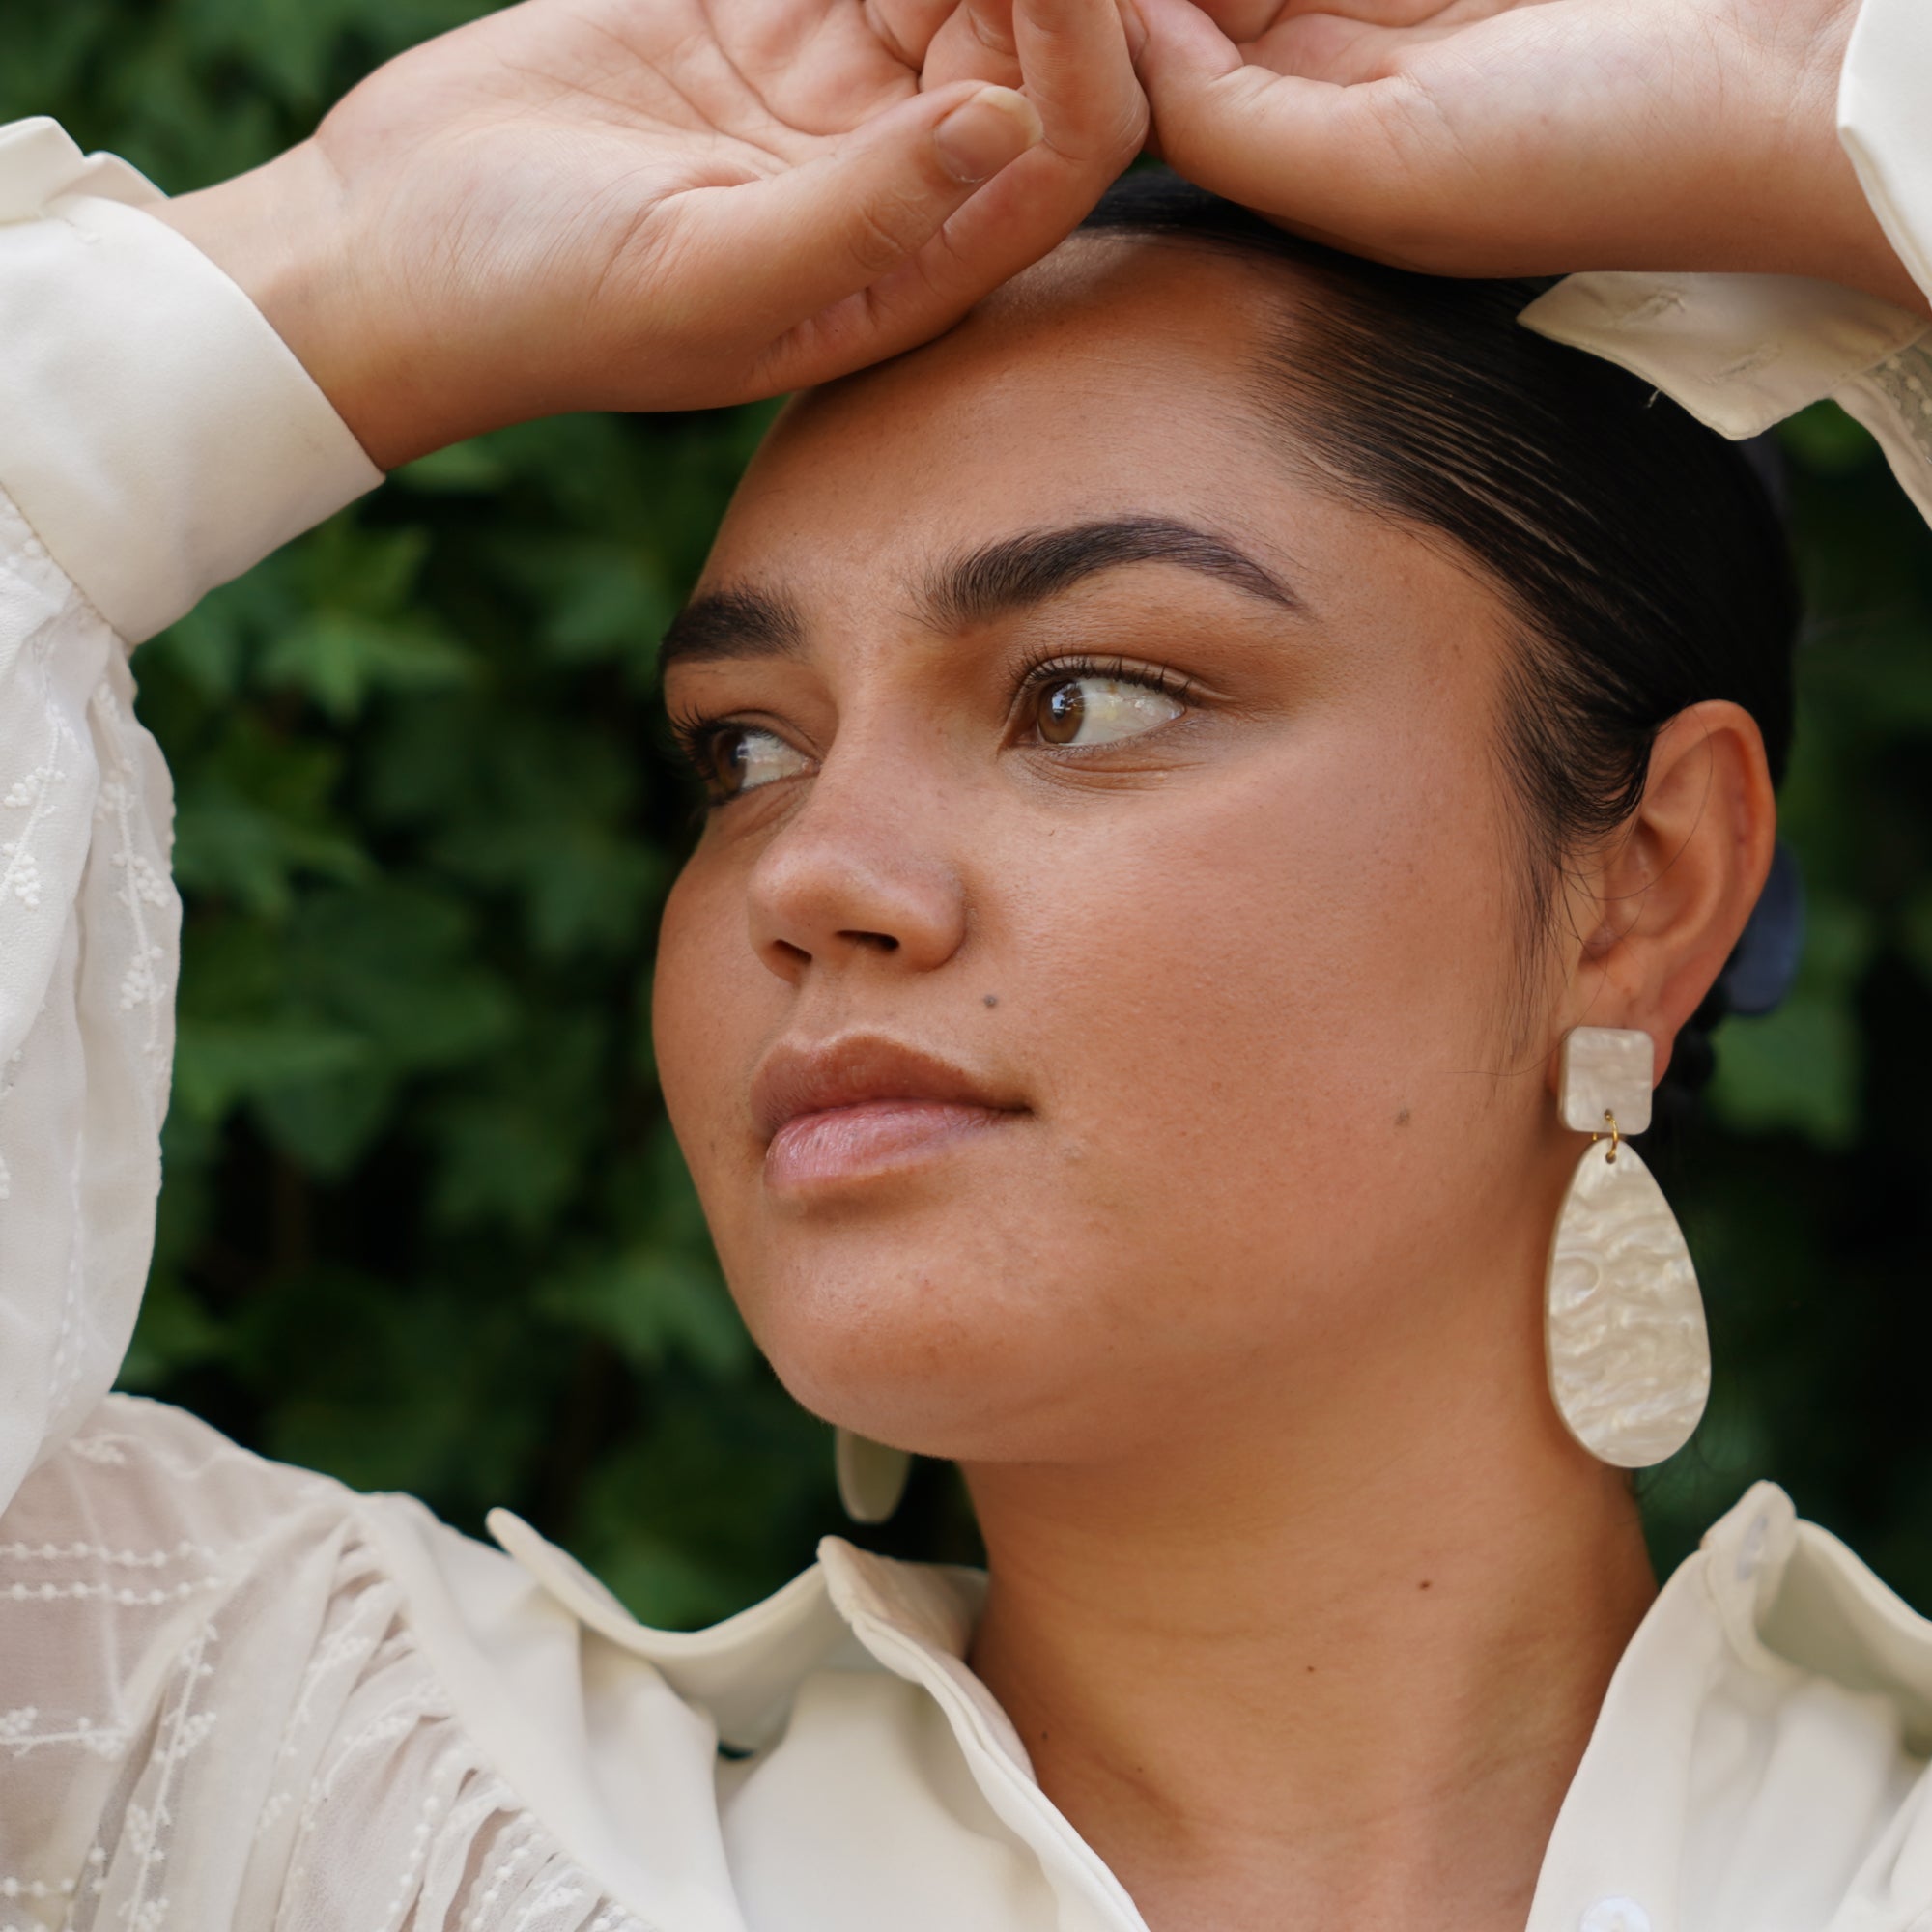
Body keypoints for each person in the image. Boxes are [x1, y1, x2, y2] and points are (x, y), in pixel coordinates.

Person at [2, 0, 1929, 1926]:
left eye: (1083, 695)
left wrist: (1807, 104)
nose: (813, 872)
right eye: (742, 750)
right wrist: (341, 256)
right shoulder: (282, 1794)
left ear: (1645, 884)